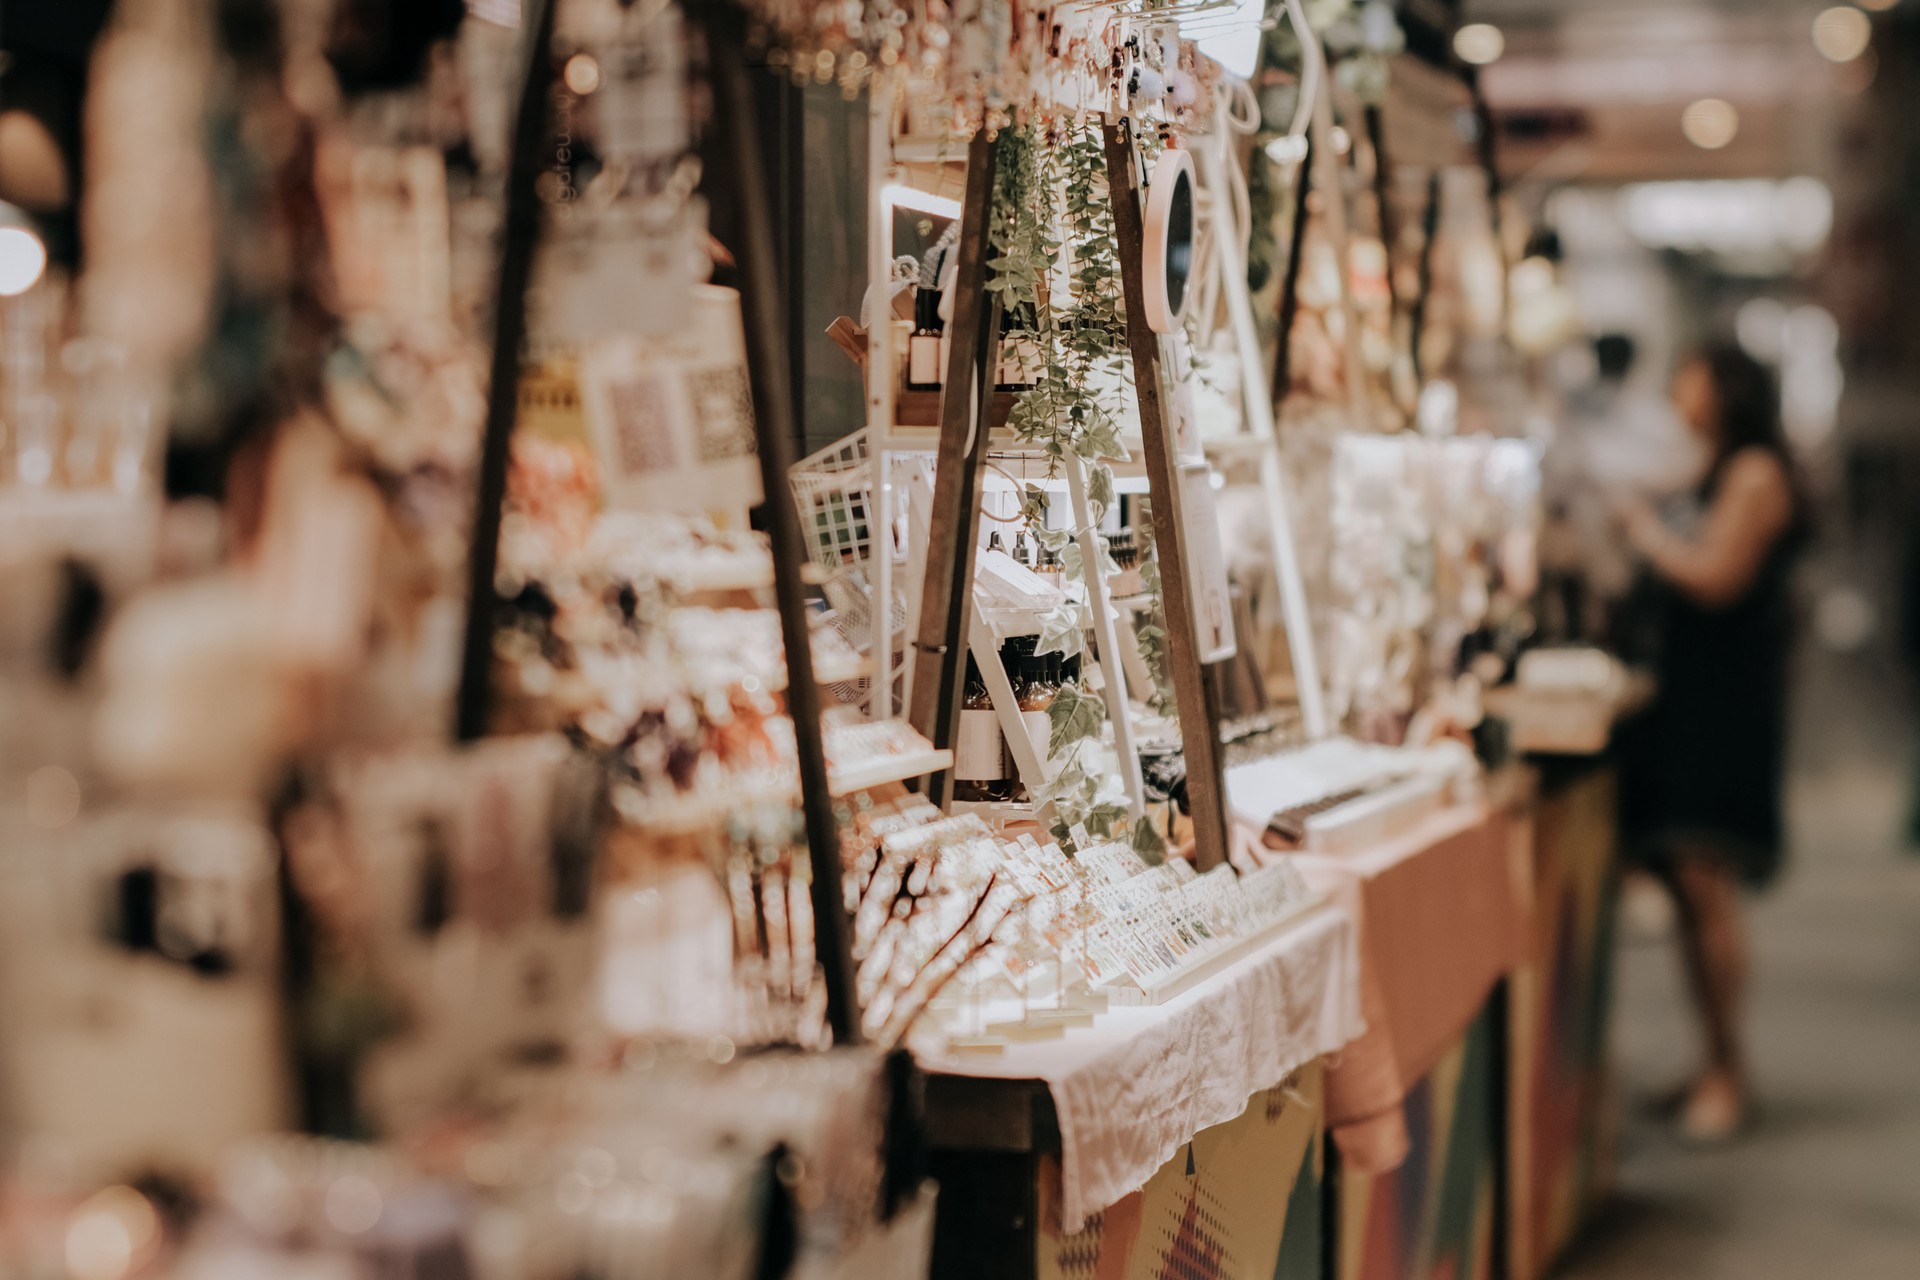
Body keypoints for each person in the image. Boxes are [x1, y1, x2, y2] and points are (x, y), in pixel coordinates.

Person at [1616, 342, 1804, 1143]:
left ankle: (1729, 1069)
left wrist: (1642, 532)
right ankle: (1713, 1061)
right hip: (1693, 695)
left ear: (1724, 386)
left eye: (1688, 375)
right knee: (1691, 888)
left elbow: (1718, 574)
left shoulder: (1757, 472)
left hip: (1725, 702)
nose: (1676, 390)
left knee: (1707, 881)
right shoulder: (1719, 466)